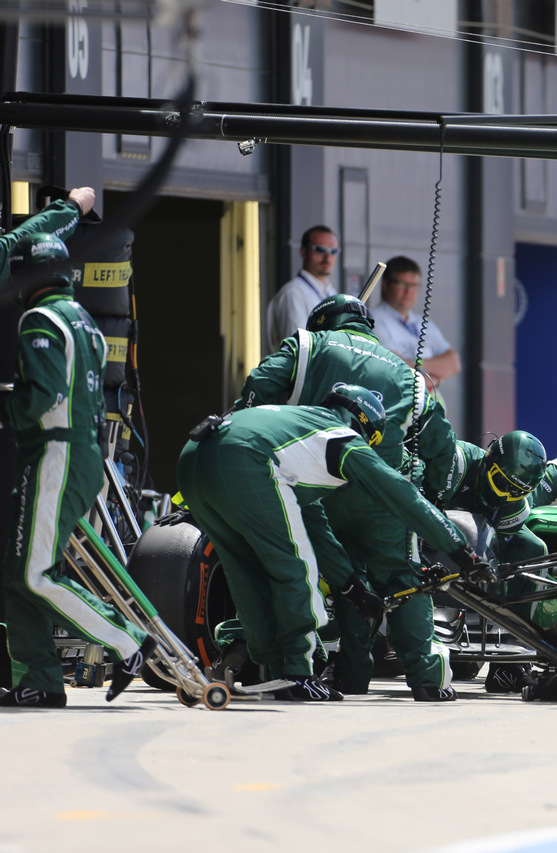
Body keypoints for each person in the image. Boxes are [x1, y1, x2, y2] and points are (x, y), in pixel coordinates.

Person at [177, 385, 484, 701]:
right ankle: (298, 673)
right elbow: (401, 496)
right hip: (248, 459)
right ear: (364, 427)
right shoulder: (341, 437)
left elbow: (318, 531)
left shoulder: (297, 433)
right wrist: (461, 552)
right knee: (296, 567)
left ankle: (272, 667)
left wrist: (354, 588)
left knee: (246, 575)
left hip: (192, 459)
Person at [238, 294, 459, 700]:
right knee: (401, 579)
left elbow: (257, 389)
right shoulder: (408, 375)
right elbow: (441, 445)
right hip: (383, 496)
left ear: (322, 321)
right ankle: (427, 680)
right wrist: (432, 497)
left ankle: (350, 680)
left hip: (315, 488)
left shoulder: (306, 345)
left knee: (346, 585)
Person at [1, 224, 156, 708]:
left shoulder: (41, 319)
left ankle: (128, 642)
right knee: (18, 572)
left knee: (36, 575)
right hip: (77, 455)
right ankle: (40, 682)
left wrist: (8, 405)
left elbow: (42, 396)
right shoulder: (85, 319)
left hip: (55, 455)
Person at [429, 430, 548, 693]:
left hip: (472, 565)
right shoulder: (455, 464)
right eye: (503, 483)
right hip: (428, 545)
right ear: (488, 462)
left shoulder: (516, 506)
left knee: (533, 548)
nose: (507, 496)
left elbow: (498, 553)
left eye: (518, 491)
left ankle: (510, 662)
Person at [370, 256, 460, 411]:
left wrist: (417, 363)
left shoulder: (423, 323)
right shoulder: (372, 319)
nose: (408, 291)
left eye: (414, 285)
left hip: (428, 415)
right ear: (385, 285)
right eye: (403, 284)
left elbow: (453, 363)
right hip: (394, 410)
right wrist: (436, 378)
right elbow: (398, 369)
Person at [263, 225, 339, 354]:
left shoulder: (331, 292)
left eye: (333, 251)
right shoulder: (293, 293)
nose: (327, 257)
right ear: (303, 252)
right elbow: (298, 349)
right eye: (320, 249)